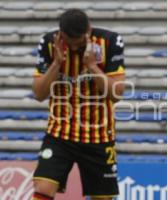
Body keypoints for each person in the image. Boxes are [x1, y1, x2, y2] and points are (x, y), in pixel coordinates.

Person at [31, 9, 125, 200]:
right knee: (43, 187)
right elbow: (39, 94)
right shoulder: (48, 43)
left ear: (88, 31)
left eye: (79, 43)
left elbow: (117, 93)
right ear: (61, 34)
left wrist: (92, 66)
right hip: (59, 133)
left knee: (103, 197)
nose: (74, 48)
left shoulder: (110, 41)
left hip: (98, 135)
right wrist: (56, 64)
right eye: (69, 43)